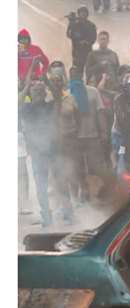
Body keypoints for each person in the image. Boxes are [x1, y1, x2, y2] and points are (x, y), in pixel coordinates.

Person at [19, 70, 56, 226]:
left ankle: (64, 213)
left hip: (51, 152)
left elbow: (56, 94)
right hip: (38, 154)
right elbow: (19, 101)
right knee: (41, 186)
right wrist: (30, 86)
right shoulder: (27, 109)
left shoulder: (48, 106)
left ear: (43, 93)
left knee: (57, 184)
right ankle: (47, 216)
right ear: (31, 94)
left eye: (40, 91)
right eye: (35, 91)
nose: (38, 94)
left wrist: (43, 82)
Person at [68, 67, 111, 201]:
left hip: (92, 136)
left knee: (97, 167)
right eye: (73, 75)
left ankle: (107, 191)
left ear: (82, 76)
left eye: (78, 74)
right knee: (78, 168)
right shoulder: (67, 94)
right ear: (69, 77)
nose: (76, 77)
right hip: (75, 138)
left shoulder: (93, 92)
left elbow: (100, 113)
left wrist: (104, 132)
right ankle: (84, 191)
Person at [48, 68, 81, 224]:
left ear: (63, 82)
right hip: (53, 143)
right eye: (53, 80)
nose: (56, 83)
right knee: (58, 177)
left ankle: (73, 204)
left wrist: (76, 136)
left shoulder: (71, 98)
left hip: (69, 141)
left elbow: (79, 118)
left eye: (58, 80)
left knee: (71, 174)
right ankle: (66, 209)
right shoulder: (47, 100)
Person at [66, 6, 97, 75]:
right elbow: (68, 34)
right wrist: (70, 23)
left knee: (89, 73)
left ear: (87, 14)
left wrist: (87, 42)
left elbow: (94, 38)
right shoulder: (74, 24)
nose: (83, 14)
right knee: (78, 73)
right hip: (77, 53)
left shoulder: (91, 25)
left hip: (88, 52)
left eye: (85, 13)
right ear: (78, 14)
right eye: (81, 13)